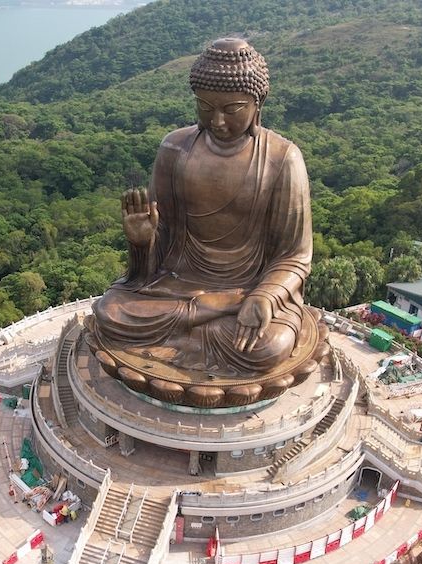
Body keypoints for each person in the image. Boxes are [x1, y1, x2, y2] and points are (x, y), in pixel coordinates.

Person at [92, 38, 313, 377]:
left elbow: (294, 256)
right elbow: (161, 249)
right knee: (111, 312)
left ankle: (204, 324)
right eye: (206, 108)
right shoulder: (174, 148)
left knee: (270, 345)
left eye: (231, 109)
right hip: (178, 284)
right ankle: (208, 317)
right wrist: (141, 242)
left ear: (258, 102)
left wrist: (266, 297)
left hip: (248, 289)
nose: (218, 121)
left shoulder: (283, 159)